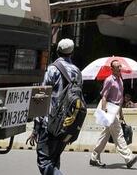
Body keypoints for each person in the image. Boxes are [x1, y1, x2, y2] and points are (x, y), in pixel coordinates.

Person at [27, 38, 81, 175]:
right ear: (72, 52)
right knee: (54, 161)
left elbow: (41, 99)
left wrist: (36, 129)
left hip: (49, 124)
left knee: (45, 162)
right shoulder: (77, 72)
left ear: (57, 51)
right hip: (66, 125)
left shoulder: (51, 70)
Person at [90, 60, 137, 168]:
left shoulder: (120, 80)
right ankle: (128, 157)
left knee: (105, 135)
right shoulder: (109, 80)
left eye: (119, 66)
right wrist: (104, 110)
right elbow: (104, 96)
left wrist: (121, 112)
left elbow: (120, 98)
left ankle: (94, 157)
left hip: (115, 109)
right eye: (116, 67)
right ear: (112, 69)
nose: (119, 68)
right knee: (118, 133)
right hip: (108, 108)